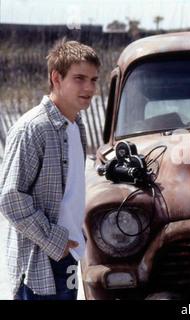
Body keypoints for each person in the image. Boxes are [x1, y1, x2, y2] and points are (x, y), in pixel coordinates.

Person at [0, 38, 101, 300]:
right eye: (79, 78)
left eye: (94, 80)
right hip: (39, 262)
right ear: (56, 78)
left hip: (66, 253)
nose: (89, 87)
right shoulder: (33, 128)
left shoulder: (76, 125)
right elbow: (10, 198)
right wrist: (56, 240)